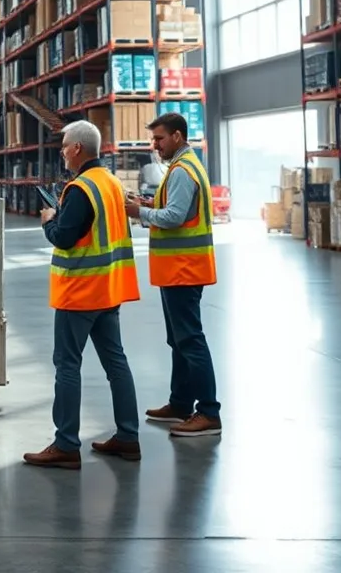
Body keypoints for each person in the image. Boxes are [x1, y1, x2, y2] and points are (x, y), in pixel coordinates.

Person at [23, 120, 141, 471]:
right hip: (109, 288)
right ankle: (128, 437)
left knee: (67, 365)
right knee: (116, 363)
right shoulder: (111, 183)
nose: (61, 151)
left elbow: (63, 236)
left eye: (63, 146)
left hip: (80, 291)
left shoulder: (81, 189)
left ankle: (66, 445)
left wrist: (48, 219)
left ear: (77, 149)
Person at [125, 112, 221, 438]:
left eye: (160, 139)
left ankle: (208, 412)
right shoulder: (183, 167)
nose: (155, 146)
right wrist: (149, 202)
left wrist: (139, 211)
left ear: (177, 137)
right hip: (177, 268)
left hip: (184, 268)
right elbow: (175, 208)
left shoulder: (182, 171)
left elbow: (175, 216)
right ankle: (180, 403)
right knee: (178, 340)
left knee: (190, 340)